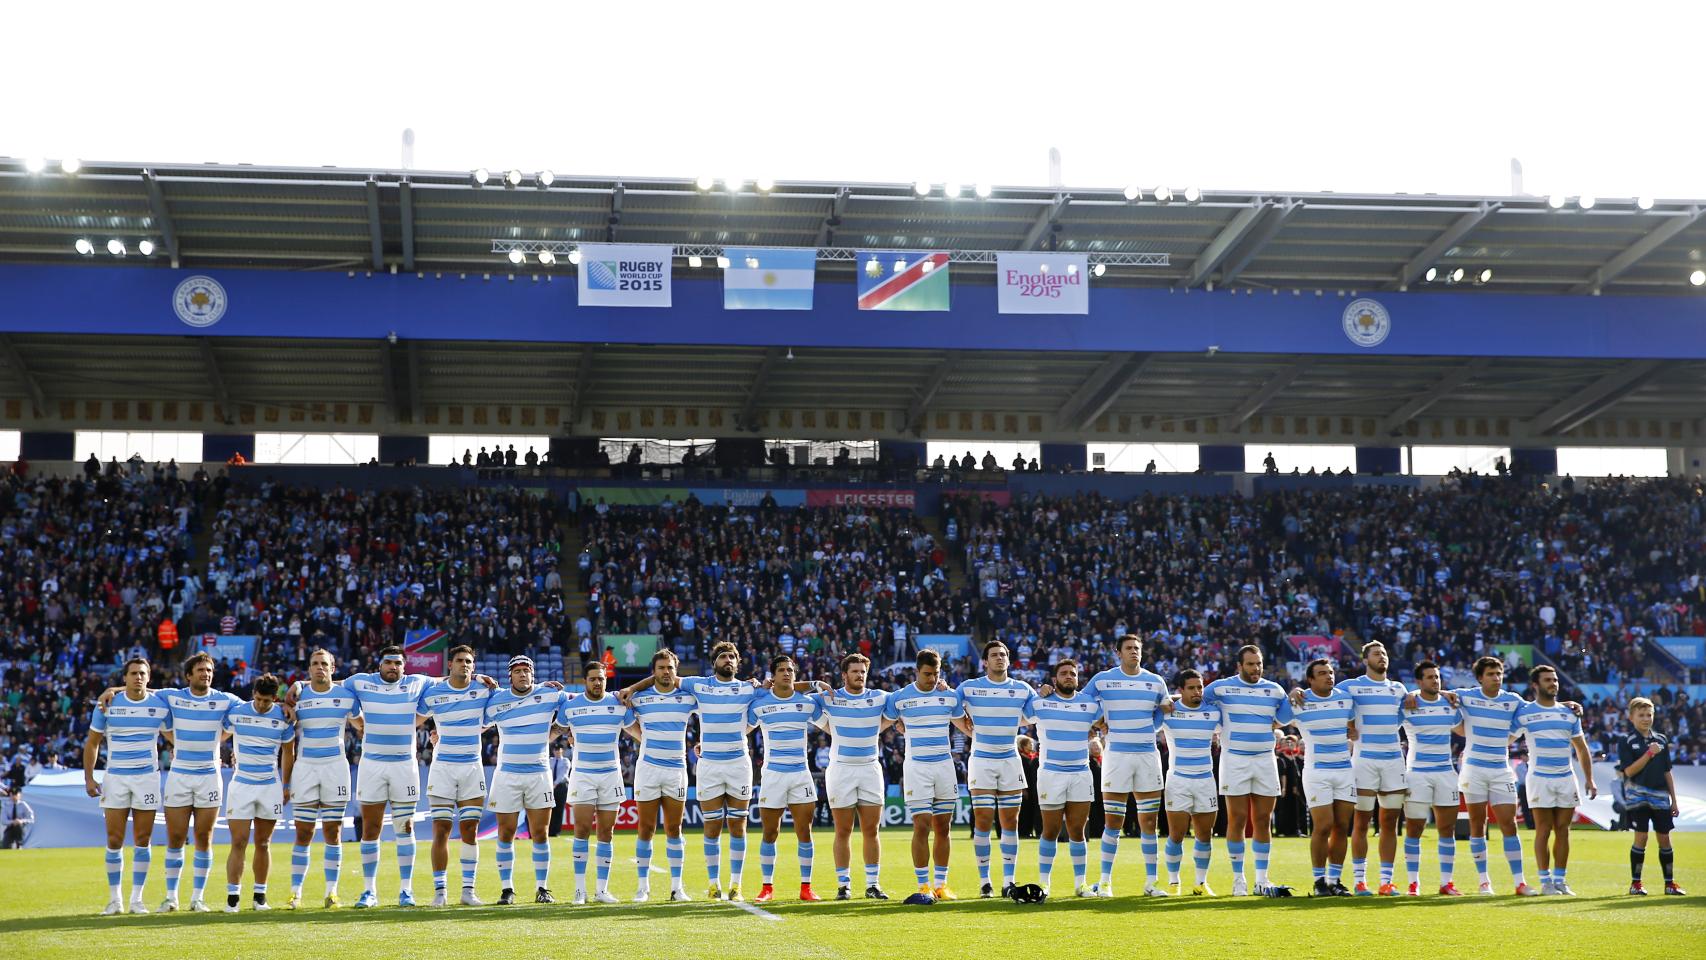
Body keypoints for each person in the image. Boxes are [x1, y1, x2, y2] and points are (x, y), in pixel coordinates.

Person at [97, 651, 242, 913]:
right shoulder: (171, 696)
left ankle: (198, 898)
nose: (205, 674)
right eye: (199, 670)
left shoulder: (226, 700)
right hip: (179, 775)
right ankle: (171, 897)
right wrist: (112, 688)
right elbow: (141, 688)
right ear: (188, 675)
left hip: (210, 775)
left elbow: (254, 707)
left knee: (204, 837)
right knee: (175, 837)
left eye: (208, 670)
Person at [1180, 644, 1293, 897]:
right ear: (1239, 666)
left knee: (1263, 820)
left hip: (1265, 759)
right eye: (1251, 664)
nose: (1256, 668)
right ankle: (1238, 878)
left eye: (1259, 663)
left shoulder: (1274, 690)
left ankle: (1262, 879)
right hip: (1235, 759)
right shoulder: (1220, 687)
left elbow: (1283, 717)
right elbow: (1197, 700)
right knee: (1238, 819)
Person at [1313, 641, 1409, 896]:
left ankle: (1386, 881)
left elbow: (1416, 702)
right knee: (1361, 822)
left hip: (1393, 761)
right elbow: (1325, 697)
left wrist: (1444, 695)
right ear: (1365, 660)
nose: (1382, 657)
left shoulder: (1398, 689)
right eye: (1377, 654)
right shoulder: (1350, 687)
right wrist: (1347, 725)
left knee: (1390, 822)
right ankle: (1359, 880)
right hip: (1364, 761)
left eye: (1385, 653)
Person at [1439, 655, 1538, 896]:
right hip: (1473, 768)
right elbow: (1436, 693)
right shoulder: (1467, 696)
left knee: (1509, 825)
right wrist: (1444, 693)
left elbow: (1538, 707)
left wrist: (1566, 704)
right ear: (1480, 678)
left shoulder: (1513, 700)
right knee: (1477, 824)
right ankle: (1484, 881)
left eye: (1499, 673)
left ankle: (1520, 882)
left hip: (1501, 770)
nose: (1497, 678)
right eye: (1491, 674)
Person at [1081, 634, 1170, 898]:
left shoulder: (1155, 681)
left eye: (1137, 648)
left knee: (1149, 822)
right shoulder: (1103, 679)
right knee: (1113, 821)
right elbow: (1081, 703)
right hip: (1116, 756)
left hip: (1146, 756)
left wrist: (1150, 727)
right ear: (1117, 652)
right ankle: (1105, 882)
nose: (1134, 652)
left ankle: (1151, 883)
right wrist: (1097, 721)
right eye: (1129, 648)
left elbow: (1163, 710)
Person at [344, 646, 433, 908]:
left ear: (404, 667)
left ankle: (406, 891)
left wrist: (478, 678)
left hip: (405, 766)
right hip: (372, 766)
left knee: (405, 828)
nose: (393, 667)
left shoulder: (417, 683)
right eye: (388, 663)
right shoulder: (361, 681)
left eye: (398, 663)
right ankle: (369, 891)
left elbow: (447, 680)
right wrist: (301, 684)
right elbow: (331, 683)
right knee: (371, 829)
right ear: (379, 664)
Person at [84, 657, 172, 915]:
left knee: (143, 840)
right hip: (116, 778)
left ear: (149, 677)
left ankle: (137, 899)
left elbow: (173, 736)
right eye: (133, 673)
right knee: (114, 839)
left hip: (147, 778)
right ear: (124, 678)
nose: (138, 677)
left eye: (142, 673)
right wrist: (89, 778)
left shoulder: (159, 704)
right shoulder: (107, 704)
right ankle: (115, 900)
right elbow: (92, 743)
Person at [957, 640, 1038, 898]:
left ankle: (1008, 881)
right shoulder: (969, 688)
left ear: (1009, 659)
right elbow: (949, 707)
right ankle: (985, 882)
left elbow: (1036, 713)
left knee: (1009, 823)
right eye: (994, 655)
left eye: (1003, 655)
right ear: (985, 661)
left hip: (1010, 760)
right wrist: (966, 727)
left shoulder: (1023, 689)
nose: (999, 658)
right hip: (981, 759)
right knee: (982, 821)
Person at [482, 656, 565, 905]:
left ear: (533, 674)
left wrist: (550, 735)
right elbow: (478, 723)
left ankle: (543, 888)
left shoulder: (551, 695)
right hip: (507, 774)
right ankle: (507, 889)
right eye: (517, 671)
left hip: (539, 773)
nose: (522, 674)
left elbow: (568, 716)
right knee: (506, 833)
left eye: (526, 670)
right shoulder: (496, 699)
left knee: (540, 833)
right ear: (510, 676)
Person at [415, 645, 493, 907]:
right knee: (441, 830)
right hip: (442, 768)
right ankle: (440, 892)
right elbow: (413, 718)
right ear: (450, 665)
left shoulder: (483, 690)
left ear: (474, 666)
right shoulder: (434, 692)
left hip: (472, 767)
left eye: (469, 661)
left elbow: (507, 704)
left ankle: (468, 891)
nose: (465, 665)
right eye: (460, 660)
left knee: (470, 830)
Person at [615, 650, 696, 902]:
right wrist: (645, 738)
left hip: (676, 770)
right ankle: (642, 887)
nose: (666, 672)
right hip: (648, 769)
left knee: (675, 828)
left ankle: (677, 887)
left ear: (676, 670)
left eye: (670, 667)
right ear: (654, 671)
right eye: (661, 667)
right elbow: (625, 717)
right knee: (646, 828)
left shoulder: (688, 697)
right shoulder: (639, 698)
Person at [284, 648, 361, 909]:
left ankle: (332, 892)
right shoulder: (298, 697)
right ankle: (296, 892)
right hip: (305, 768)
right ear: (309, 669)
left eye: (324, 664)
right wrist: (296, 685)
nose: (320, 668)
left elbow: (362, 726)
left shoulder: (346, 696)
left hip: (336, 768)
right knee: (303, 832)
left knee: (333, 831)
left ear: (333, 668)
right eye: (315, 664)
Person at [746, 654, 826, 902]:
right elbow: (741, 731)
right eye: (781, 670)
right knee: (770, 833)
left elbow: (832, 727)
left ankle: (806, 888)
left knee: (805, 831)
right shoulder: (759, 705)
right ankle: (767, 888)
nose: (787, 673)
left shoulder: (808, 703)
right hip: (772, 775)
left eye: (790, 670)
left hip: (801, 775)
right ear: (773, 675)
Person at [884, 649, 961, 900]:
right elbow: (883, 720)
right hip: (917, 767)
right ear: (916, 671)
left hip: (944, 766)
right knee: (921, 825)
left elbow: (966, 723)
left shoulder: (949, 696)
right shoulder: (900, 698)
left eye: (936, 673)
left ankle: (941, 885)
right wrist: (897, 724)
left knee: (943, 826)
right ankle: (923, 886)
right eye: (927, 674)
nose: (931, 678)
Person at [815, 653, 892, 901]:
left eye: (863, 671)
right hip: (841, 769)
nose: (860, 675)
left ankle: (872, 884)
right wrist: (815, 684)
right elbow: (788, 692)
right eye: (855, 671)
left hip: (870, 768)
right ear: (844, 675)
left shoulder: (879, 697)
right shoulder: (829, 698)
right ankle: (843, 885)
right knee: (843, 830)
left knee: (871, 830)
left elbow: (906, 700)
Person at [1513, 665, 1596, 896]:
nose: (1553, 683)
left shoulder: (1570, 713)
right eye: (1548, 680)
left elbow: (1581, 748)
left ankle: (1561, 880)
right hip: (1539, 779)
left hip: (1566, 778)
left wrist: (1589, 779)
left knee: (1563, 830)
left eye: (1555, 679)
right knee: (1543, 829)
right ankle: (1545, 881)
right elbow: (1507, 737)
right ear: (1535, 685)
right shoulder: (1524, 713)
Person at [557, 661, 632, 905]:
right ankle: (580, 891)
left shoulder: (618, 704)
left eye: (601, 678)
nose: (597, 683)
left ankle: (602, 890)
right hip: (583, 775)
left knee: (606, 833)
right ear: (584, 681)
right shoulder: (570, 706)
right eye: (593, 679)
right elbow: (555, 731)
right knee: (581, 831)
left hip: (611, 774)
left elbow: (638, 731)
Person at [221, 674, 295, 912]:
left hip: (269, 786)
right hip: (241, 784)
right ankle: (233, 898)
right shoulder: (236, 712)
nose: (262, 705)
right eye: (259, 699)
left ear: (275, 698)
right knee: (239, 841)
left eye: (267, 701)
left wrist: (286, 785)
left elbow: (288, 753)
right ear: (253, 694)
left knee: (263, 842)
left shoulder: (283, 718)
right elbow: (216, 731)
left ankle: (260, 896)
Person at [1031, 659, 1101, 898]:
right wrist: (1040, 690)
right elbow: (1019, 715)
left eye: (1073, 673)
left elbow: (1105, 722)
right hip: (1051, 773)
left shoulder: (1089, 704)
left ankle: (1081, 885)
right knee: (1049, 831)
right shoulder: (1041, 702)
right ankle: (1043, 885)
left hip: (1081, 773)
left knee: (1077, 831)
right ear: (1055, 679)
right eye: (1063, 673)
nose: (1069, 676)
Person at [1400, 661, 1466, 896]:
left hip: (1446, 773)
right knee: (1415, 828)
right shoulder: (1408, 704)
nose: (1435, 681)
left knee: (1447, 829)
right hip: (1417, 773)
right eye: (1429, 677)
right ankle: (1413, 883)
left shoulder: (1450, 705)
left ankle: (1446, 883)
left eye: (1437, 677)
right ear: (1419, 682)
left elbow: (1464, 730)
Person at [1293, 658, 1356, 898]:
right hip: (1317, 772)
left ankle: (1335, 881)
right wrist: (1293, 692)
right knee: (1324, 825)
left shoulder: (1345, 698)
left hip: (1344, 770)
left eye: (1330, 672)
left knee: (1342, 826)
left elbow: (1353, 722)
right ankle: (1319, 881)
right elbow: (1276, 718)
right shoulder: (1299, 701)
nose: (1329, 676)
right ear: (1310, 679)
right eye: (1322, 673)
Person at [1159, 669, 1218, 896]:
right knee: (1177, 834)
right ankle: (1174, 882)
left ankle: (1201, 883)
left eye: (1200, 687)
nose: (1197, 692)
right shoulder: (1168, 713)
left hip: (1205, 780)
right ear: (1181, 690)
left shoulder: (1213, 713)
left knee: (1205, 834)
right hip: (1178, 780)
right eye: (1191, 688)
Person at [1619, 696, 1684, 895]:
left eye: (1649, 715)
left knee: (1665, 838)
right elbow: (1628, 772)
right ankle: (1636, 884)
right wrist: (1649, 754)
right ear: (1631, 717)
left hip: (1661, 796)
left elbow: (1667, 772)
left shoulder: (1662, 740)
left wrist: (1674, 799)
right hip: (1637, 796)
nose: (1646, 719)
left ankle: (1669, 883)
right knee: (1642, 837)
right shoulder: (1626, 741)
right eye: (1641, 715)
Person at [548, 746, 569, 837]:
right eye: (555, 750)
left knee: (559, 810)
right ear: (553, 751)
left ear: (562, 751)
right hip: (550, 786)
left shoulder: (565, 761)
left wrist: (555, 784)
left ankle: (556, 831)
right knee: (549, 809)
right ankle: (549, 830)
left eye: (559, 750)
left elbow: (563, 775)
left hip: (561, 787)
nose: (557, 752)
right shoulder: (550, 760)